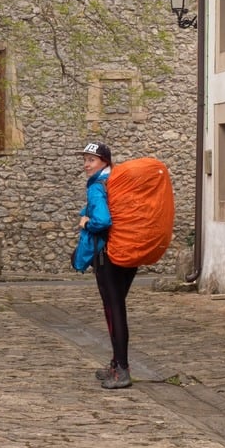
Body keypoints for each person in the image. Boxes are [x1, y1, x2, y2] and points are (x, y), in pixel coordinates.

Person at [73, 141, 137, 390]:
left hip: (108, 256)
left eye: (91, 160)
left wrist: (86, 222)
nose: (86, 165)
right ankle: (115, 363)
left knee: (114, 311)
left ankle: (121, 369)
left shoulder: (98, 187)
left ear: (105, 162)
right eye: (85, 160)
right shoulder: (117, 182)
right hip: (128, 252)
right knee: (117, 308)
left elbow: (102, 220)